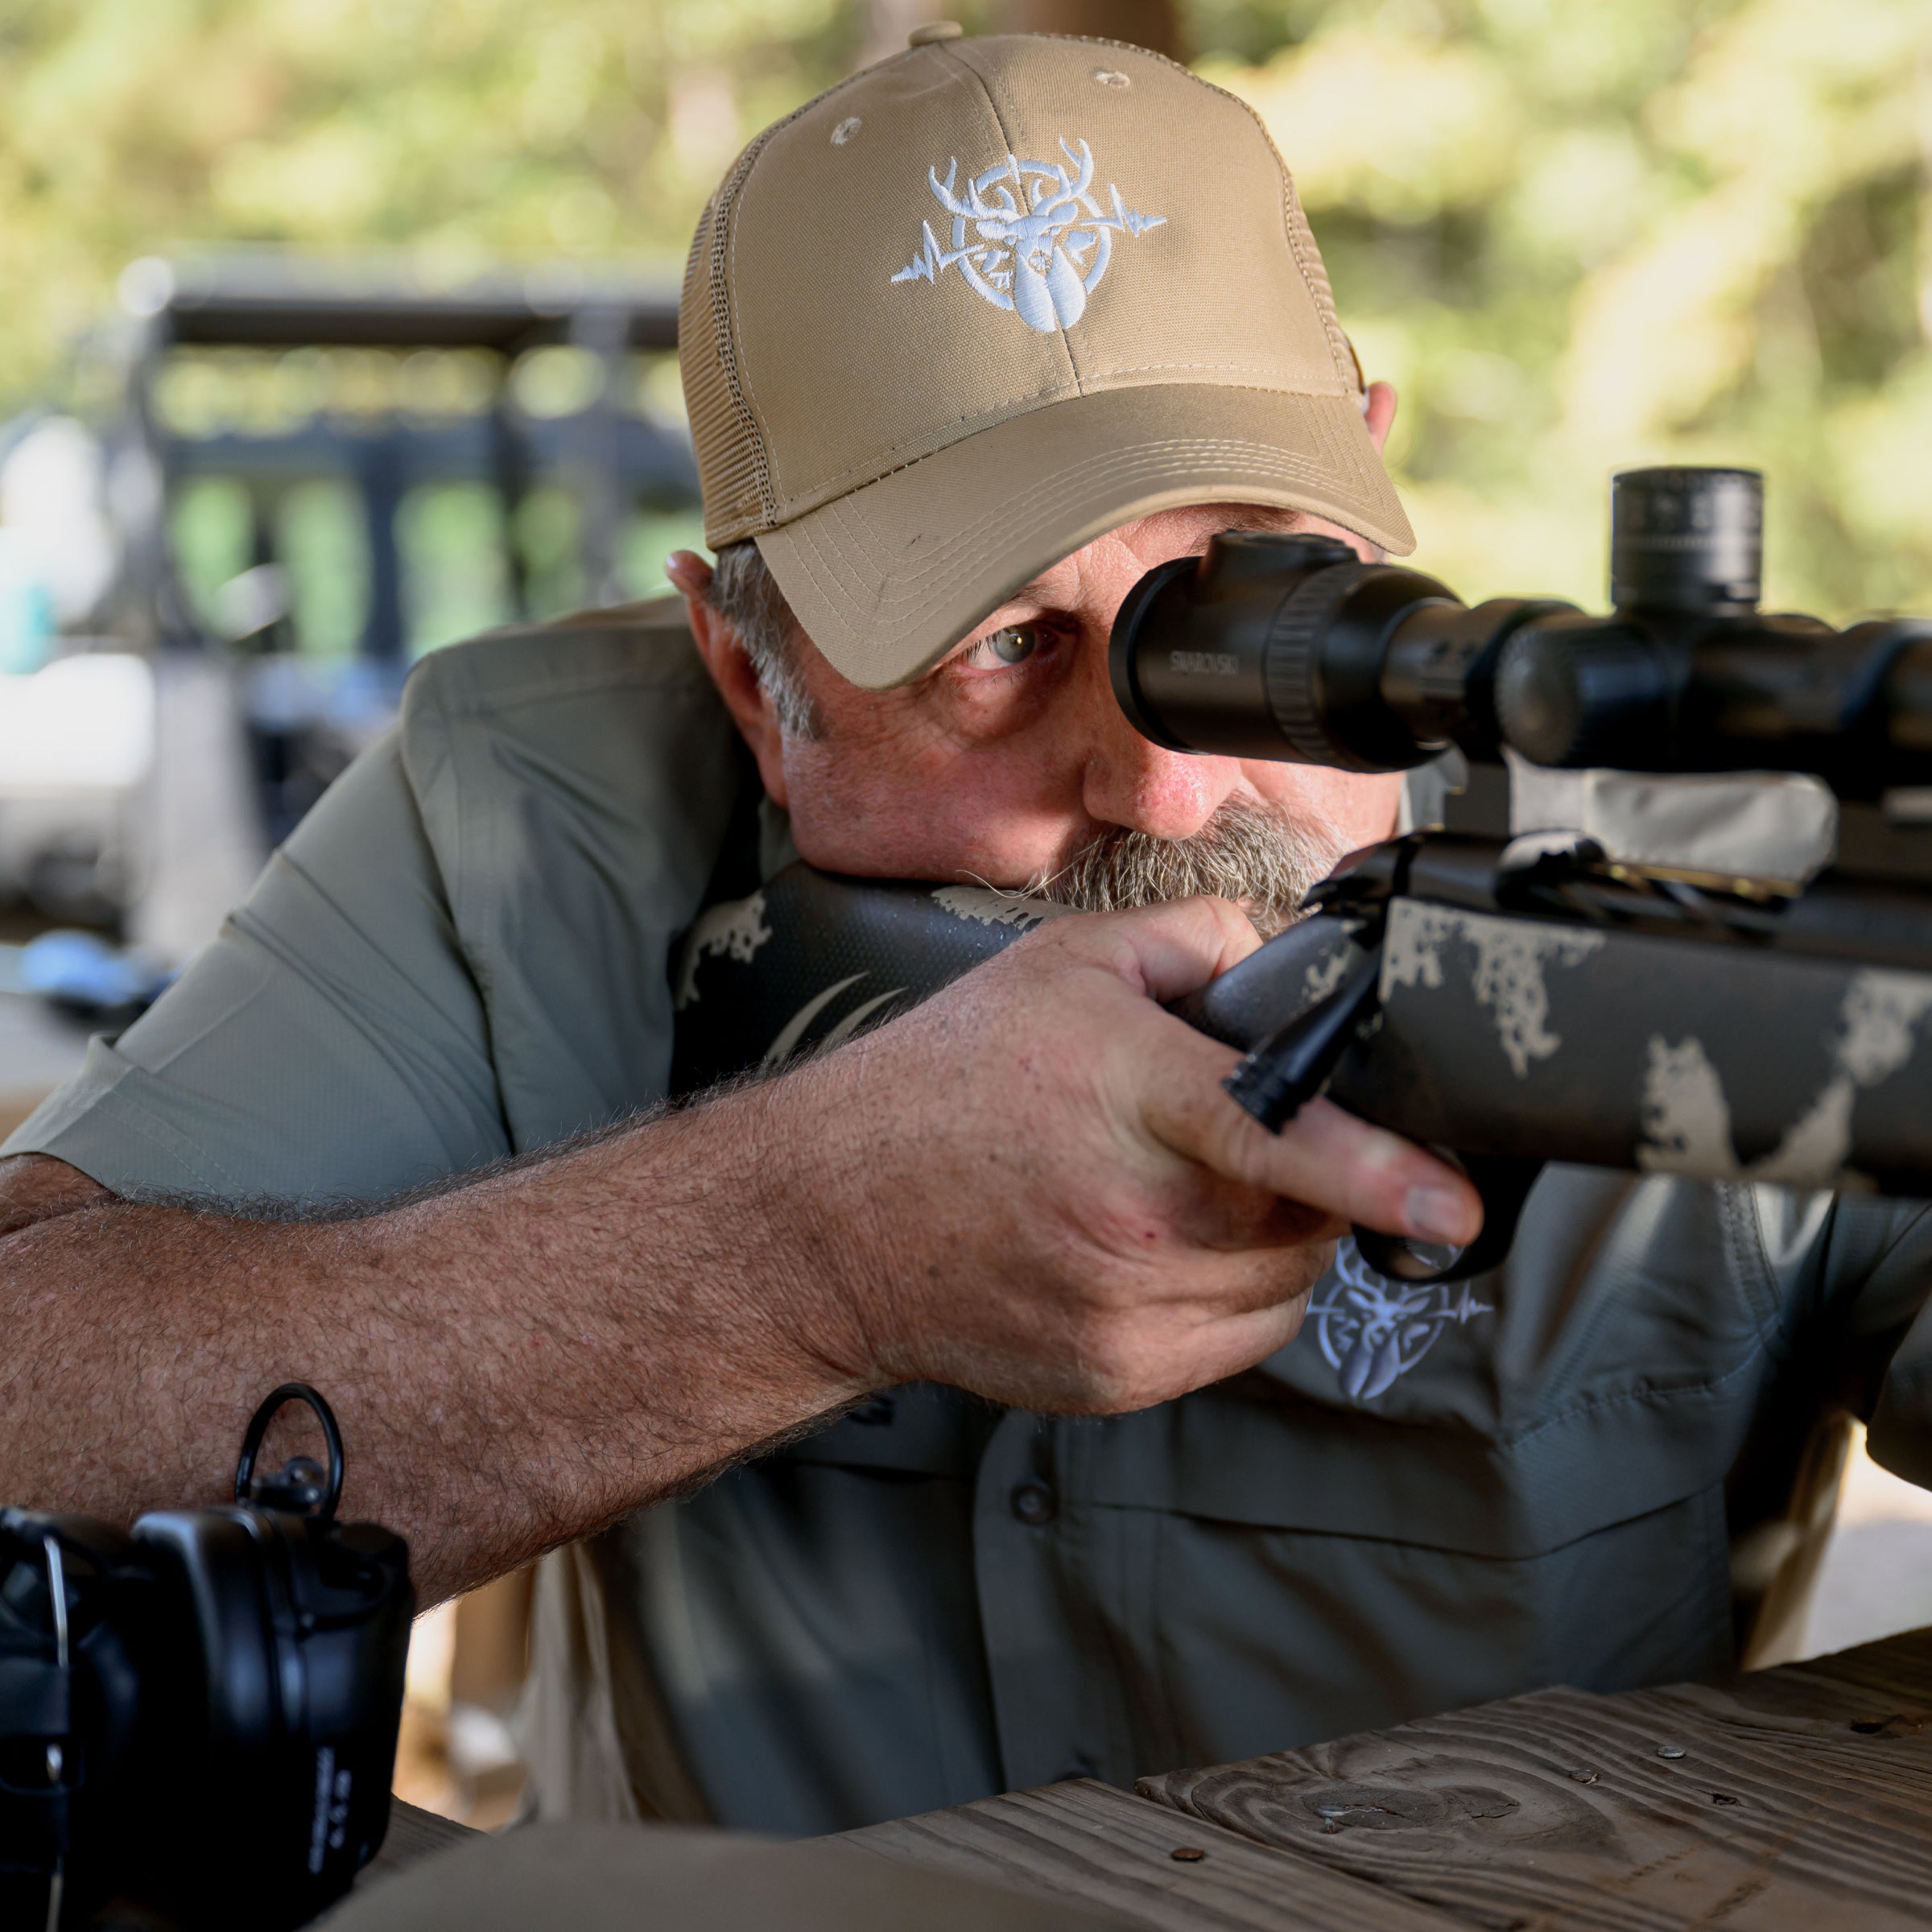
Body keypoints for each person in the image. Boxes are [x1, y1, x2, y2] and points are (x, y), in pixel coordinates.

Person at [2, 28, 1929, 1836]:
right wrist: (801, 1252)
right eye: (1000, 648)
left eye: (1248, 606)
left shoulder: (1752, 885)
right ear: (749, 677)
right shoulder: (538, 810)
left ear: (1371, 470)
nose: (1165, 788)